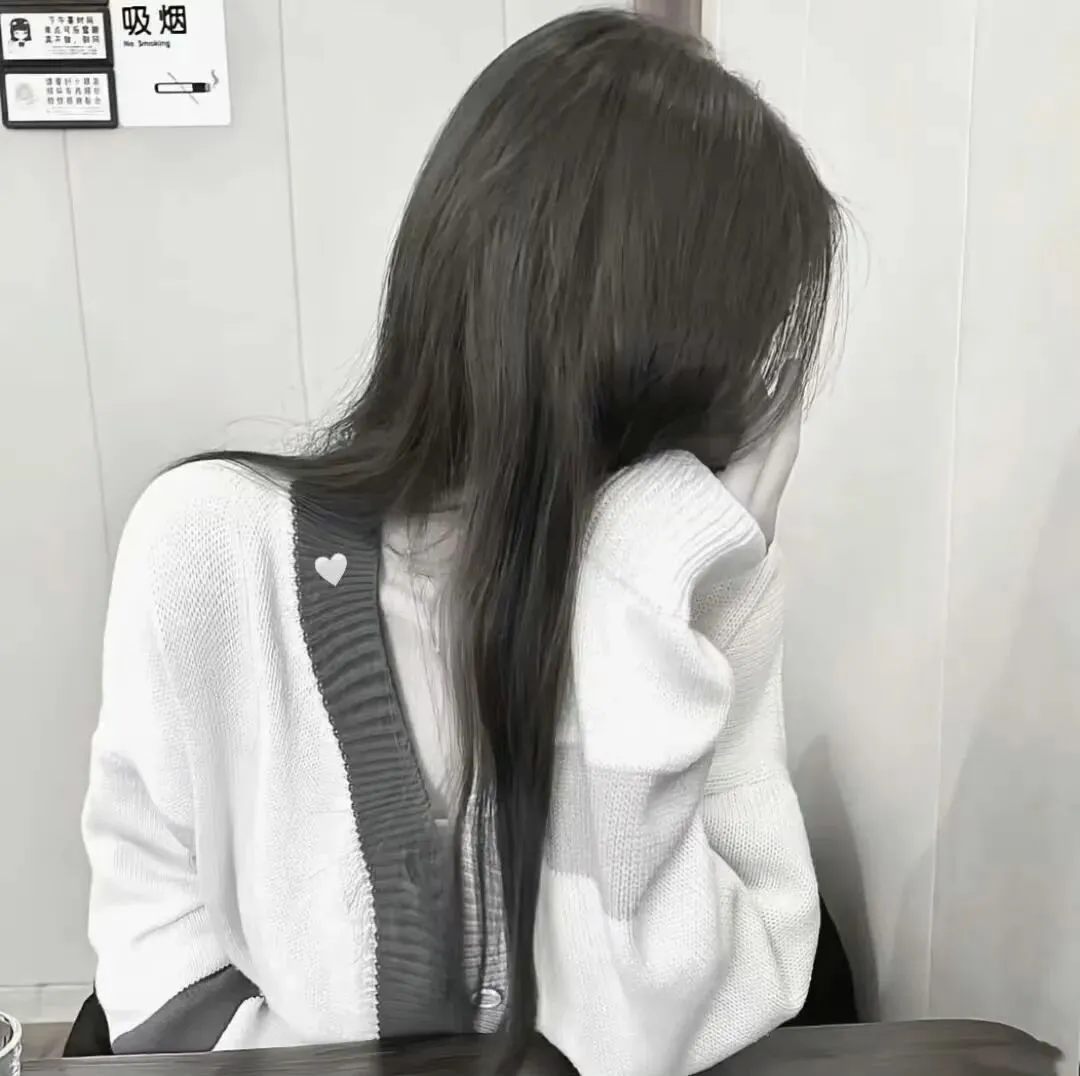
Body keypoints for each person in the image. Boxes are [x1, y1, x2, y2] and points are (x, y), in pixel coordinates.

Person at [81, 9, 845, 1076]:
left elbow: (654, 1035)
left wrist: (636, 602)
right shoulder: (208, 549)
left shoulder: (696, 594)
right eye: (749, 357)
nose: (759, 405)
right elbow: (157, 970)